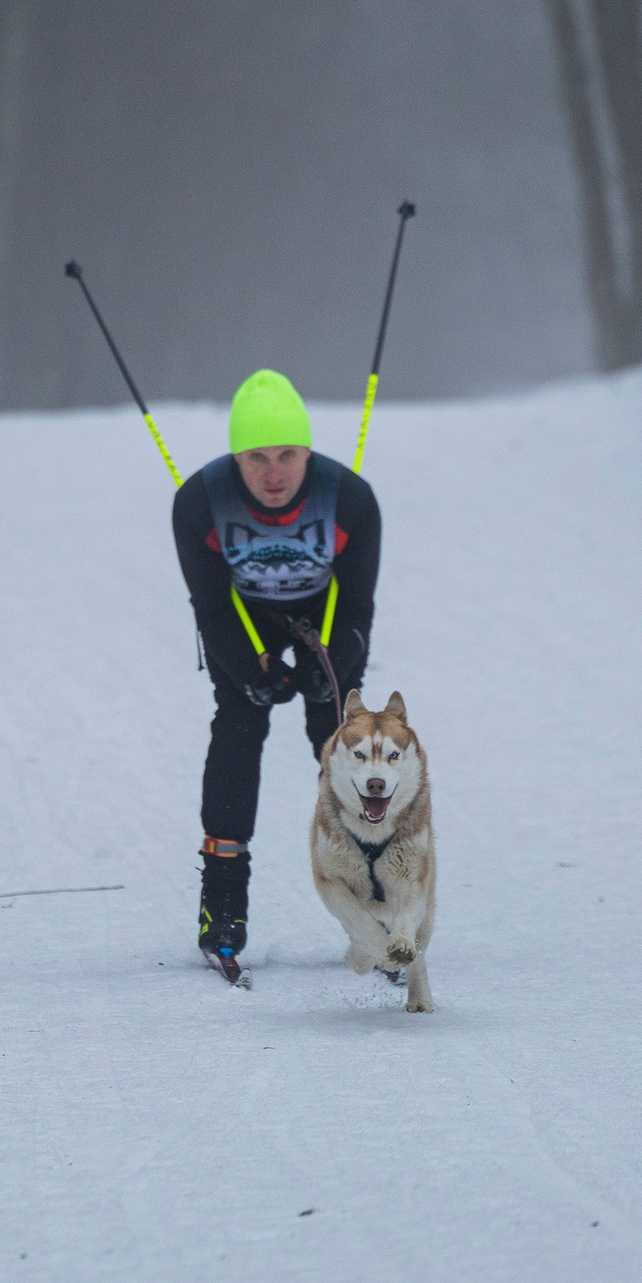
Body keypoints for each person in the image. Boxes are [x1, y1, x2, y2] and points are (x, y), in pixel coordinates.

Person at [172, 369, 379, 966]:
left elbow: (358, 603)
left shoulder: (351, 499)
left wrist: (333, 665)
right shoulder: (198, 503)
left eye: (288, 454)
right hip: (245, 617)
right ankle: (223, 904)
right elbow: (210, 607)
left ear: (307, 452)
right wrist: (248, 669)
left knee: (340, 731)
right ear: (235, 457)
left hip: (325, 614)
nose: (273, 473)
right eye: (256, 456)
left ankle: (376, 901)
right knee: (240, 720)